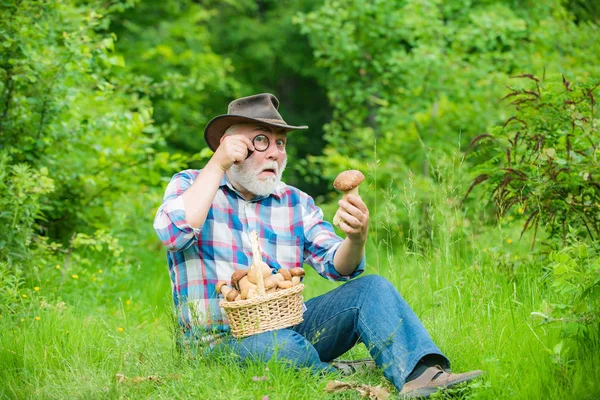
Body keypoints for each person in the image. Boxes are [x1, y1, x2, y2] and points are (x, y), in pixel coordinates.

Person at [153, 93, 483, 398]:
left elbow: (339, 267)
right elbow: (173, 234)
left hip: (290, 326)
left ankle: (423, 377)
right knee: (279, 347)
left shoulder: (295, 201)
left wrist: (356, 237)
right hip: (219, 343)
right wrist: (217, 164)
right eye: (261, 140)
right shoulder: (193, 184)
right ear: (228, 145)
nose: (274, 152)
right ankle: (337, 377)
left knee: (371, 289)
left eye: (280, 143)